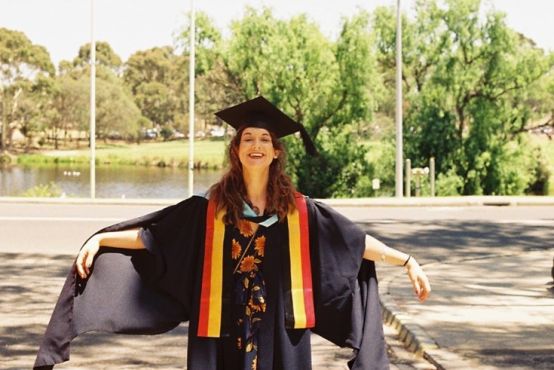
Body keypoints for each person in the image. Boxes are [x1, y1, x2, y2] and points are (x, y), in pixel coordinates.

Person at [34, 96, 430, 370]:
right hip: (221, 333)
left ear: (276, 151)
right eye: (247, 138)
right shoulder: (211, 211)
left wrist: (407, 261)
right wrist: (100, 238)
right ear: (236, 150)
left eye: (264, 139)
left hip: (282, 335)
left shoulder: (299, 210)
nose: (256, 145)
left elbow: (354, 244)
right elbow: (153, 238)